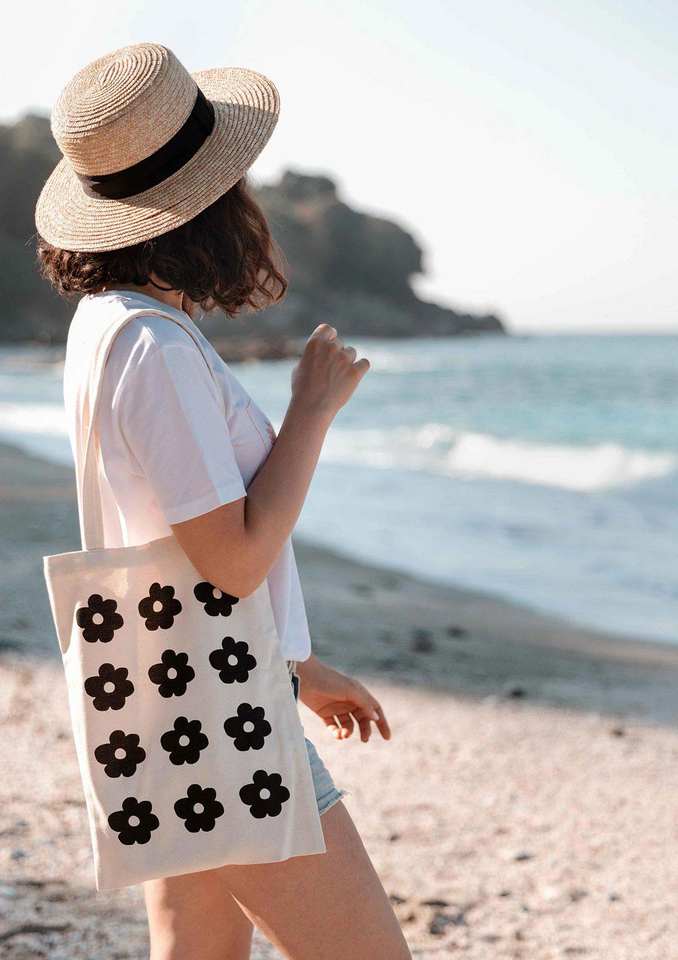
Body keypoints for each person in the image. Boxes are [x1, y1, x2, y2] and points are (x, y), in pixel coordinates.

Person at [35, 42, 412, 960]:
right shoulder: (154, 347)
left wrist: (300, 667)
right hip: (221, 721)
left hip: (164, 708)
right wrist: (310, 413)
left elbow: (175, 548)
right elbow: (231, 561)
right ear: (204, 205)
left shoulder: (109, 326)